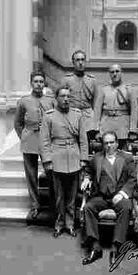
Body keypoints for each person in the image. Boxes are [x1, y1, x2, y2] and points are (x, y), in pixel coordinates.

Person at [80, 131, 137, 266]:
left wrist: (122, 194)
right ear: (103, 145)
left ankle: (116, 247)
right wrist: (87, 179)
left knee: (126, 207)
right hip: (102, 197)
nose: (109, 145)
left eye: (112, 142)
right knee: (88, 207)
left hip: (119, 196)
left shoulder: (127, 158)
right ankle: (95, 247)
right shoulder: (97, 158)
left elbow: (133, 178)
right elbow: (88, 170)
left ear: (117, 143)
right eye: (106, 143)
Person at [40, 84, 89, 238]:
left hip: (74, 158)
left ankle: (70, 224)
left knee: (72, 196)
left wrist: (83, 160)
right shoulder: (49, 116)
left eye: (68, 96)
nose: (66, 99)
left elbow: (83, 140)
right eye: (63, 96)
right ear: (56, 99)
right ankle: (59, 224)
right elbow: (44, 141)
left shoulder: (77, 115)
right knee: (59, 196)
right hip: (57, 159)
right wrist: (47, 161)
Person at [14, 71, 55, 219]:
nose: (38, 84)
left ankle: (53, 204)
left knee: (51, 173)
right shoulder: (24, 101)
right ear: (31, 83)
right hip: (29, 139)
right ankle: (35, 205)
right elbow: (18, 123)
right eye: (36, 81)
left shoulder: (50, 100)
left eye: (41, 81)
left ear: (44, 84)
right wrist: (23, 136)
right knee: (31, 175)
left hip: (46, 140)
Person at [94, 64, 138, 150]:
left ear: (121, 73)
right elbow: (97, 110)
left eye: (117, 71)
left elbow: (134, 110)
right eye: (112, 72)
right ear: (109, 74)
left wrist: (132, 130)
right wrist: (97, 130)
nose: (115, 74)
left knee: (123, 154)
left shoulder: (129, 89)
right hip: (106, 125)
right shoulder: (103, 90)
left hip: (122, 127)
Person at [61, 50, 98, 144]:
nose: (80, 63)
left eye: (82, 60)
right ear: (73, 62)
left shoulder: (92, 80)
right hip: (72, 114)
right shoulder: (67, 80)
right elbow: (61, 100)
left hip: (88, 116)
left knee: (88, 143)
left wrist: (96, 122)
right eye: (77, 60)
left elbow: (96, 102)